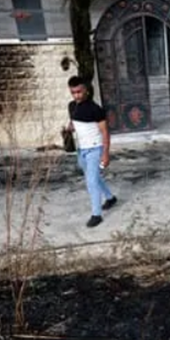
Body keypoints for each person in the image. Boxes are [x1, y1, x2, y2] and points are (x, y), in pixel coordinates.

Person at [64, 76, 117, 228]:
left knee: (91, 181)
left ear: (86, 90)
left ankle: (96, 214)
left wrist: (106, 154)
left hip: (95, 148)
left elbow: (105, 132)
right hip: (82, 150)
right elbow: (74, 121)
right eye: (73, 92)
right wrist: (69, 129)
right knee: (92, 176)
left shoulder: (96, 109)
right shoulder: (71, 106)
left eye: (79, 92)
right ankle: (110, 198)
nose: (76, 95)